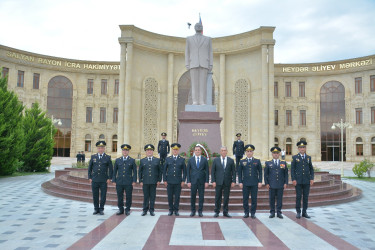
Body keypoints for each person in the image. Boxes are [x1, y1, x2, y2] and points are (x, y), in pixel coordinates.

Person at [185, 22, 213, 105]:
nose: (198, 27)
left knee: (203, 84)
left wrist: (210, 64)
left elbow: (210, 52)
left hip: (204, 63)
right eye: (197, 26)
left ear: (202, 27)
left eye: (200, 26)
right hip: (193, 63)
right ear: (194, 28)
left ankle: (201, 101)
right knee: (194, 84)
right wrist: (187, 63)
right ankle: (195, 101)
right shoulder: (189, 39)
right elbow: (187, 52)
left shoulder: (208, 39)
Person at [88, 141, 113, 215]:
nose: (100, 149)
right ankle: (96, 209)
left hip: (103, 180)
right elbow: (90, 168)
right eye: (99, 148)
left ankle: (101, 209)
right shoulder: (93, 157)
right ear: (97, 149)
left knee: (103, 195)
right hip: (94, 179)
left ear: (104, 148)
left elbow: (111, 169)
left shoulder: (107, 157)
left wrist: (109, 178)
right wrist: (89, 177)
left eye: (102, 148)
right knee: (95, 195)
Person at [238, 144, 262, 219]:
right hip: (245, 183)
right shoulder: (242, 161)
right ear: (245, 152)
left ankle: (253, 213)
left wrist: (260, 181)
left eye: (250, 151)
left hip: (254, 183)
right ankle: (246, 212)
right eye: (247, 151)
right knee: (245, 199)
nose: (249, 153)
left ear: (253, 152)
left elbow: (260, 172)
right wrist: (240, 182)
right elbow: (239, 173)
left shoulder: (257, 161)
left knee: (254, 199)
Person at [291, 140, 314, 219]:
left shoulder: (308, 158)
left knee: (306, 197)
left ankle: (304, 212)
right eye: (300, 147)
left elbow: (311, 169)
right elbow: (292, 170)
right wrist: (293, 179)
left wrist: (311, 178)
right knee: (298, 196)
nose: (302, 149)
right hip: (298, 181)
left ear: (305, 148)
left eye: (303, 147)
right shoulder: (295, 157)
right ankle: (298, 212)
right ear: (298, 149)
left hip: (306, 181)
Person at [112, 144, 137, 216]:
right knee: (120, 196)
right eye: (123, 150)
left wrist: (134, 180)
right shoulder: (118, 160)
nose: (125, 151)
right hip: (119, 181)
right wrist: (114, 180)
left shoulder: (132, 160)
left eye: (126, 150)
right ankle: (121, 209)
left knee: (129, 196)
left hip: (128, 182)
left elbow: (135, 172)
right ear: (122, 151)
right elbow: (114, 171)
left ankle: (128, 209)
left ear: (128, 151)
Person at [211, 146, 236, 218]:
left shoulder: (231, 160)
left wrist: (233, 181)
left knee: (226, 197)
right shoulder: (216, 160)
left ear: (227, 151)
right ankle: (217, 212)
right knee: (218, 197)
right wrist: (213, 181)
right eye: (222, 150)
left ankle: (225, 212)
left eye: (225, 150)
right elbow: (213, 171)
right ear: (220, 152)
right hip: (218, 182)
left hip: (227, 182)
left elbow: (233, 172)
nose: (223, 152)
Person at [264, 147, 288, 219]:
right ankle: (272, 212)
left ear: (279, 154)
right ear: (272, 154)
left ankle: (279, 212)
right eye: (274, 153)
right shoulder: (268, 163)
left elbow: (286, 174)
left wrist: (286, 182)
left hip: (280, 184)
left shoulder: (283, 162)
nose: (276, 154)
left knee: (279, 199)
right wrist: (266, 183)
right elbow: (266, 174)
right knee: (271, 199)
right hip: (272, 184)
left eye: (277, 153)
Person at [163, 143, 186, 216]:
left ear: (178, 150)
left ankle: (176, 210)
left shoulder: (182, 159)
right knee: (170, 196)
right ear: (172, 150)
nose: (175, 151)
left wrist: (183, 180)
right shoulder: (168, 159)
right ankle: (170, 209)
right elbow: (164, 170)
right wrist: (165, 180)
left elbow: (184, 171)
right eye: (174, 149)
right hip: (169, 181)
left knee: (177, 197)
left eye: (176, 150)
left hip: (178, 182)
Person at [139, 144, 162, 216]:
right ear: (146, 152)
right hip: (145, 182)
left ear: (153, 151)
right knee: (146, 196)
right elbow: (140, 171)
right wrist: (140, 180)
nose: (149, 151)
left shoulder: (157, 160)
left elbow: (160, 171)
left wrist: (159, 180)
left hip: (153, 181)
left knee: (152, 196)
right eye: (148, 150)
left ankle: (151, 210)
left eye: (151, 150)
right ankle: (145, 210)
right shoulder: (142, 160)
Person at [187, 145, 209, 217]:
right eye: (196, 150)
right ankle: (193, 211)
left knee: (201, 197)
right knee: (193, 196)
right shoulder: (190, 160)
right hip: (193, 181)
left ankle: (200, 211)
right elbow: (188, 171)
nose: (197, 151)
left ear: (201, 151)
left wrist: (207, 181)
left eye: (198, 150)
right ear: (194, 151)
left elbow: (207, 171)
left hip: (201, 181)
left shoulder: (204, 159)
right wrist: (188, 181)